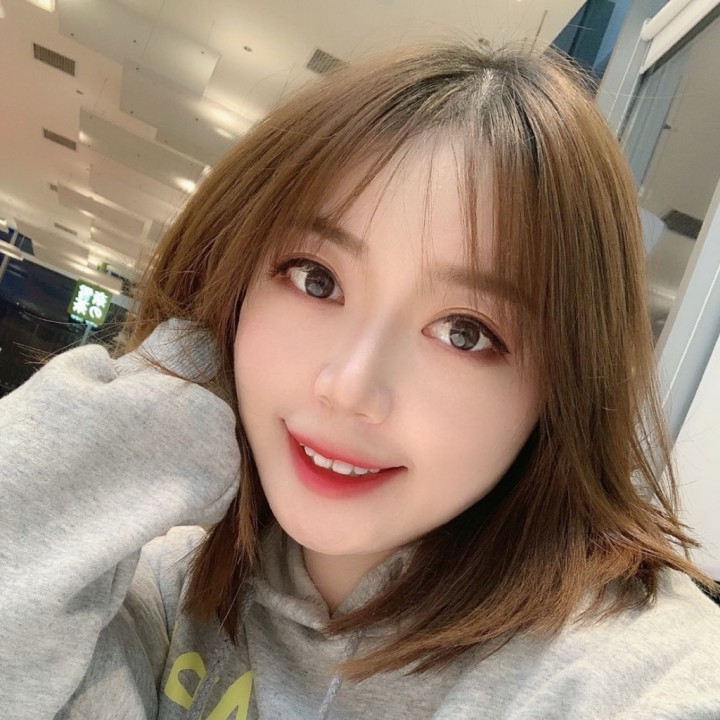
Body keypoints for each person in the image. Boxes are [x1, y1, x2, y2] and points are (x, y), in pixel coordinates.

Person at [1, 40, 719, 720]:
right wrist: (173, 388)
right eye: (316, 279)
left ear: (564, 389)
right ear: (235, 288)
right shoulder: (166, 593)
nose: (348, 388)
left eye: (464, 332)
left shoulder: (620, 672)